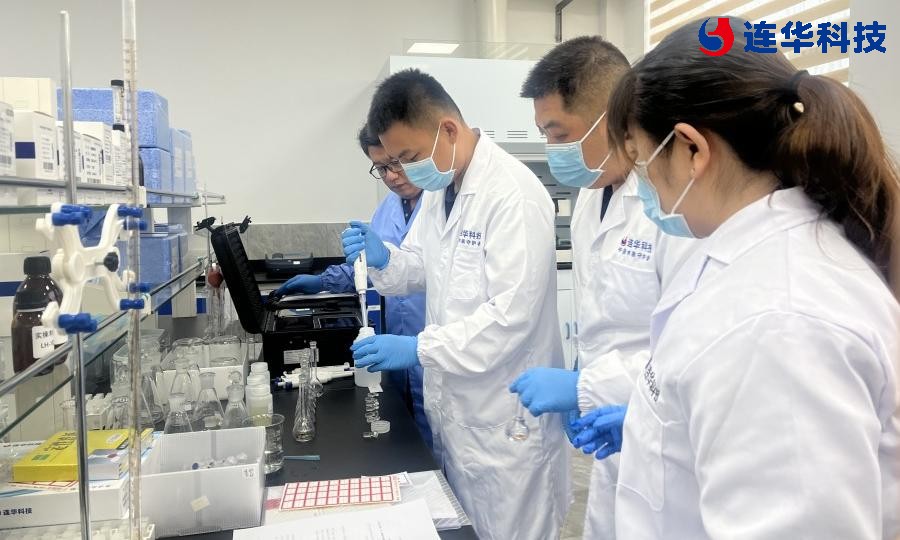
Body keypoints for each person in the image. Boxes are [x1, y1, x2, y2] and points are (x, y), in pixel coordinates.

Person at [572, 17, 900, 539]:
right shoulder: (752, 262)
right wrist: (653, 425)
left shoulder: (779, 321)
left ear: (692, 150)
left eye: (641, 160)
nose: (645, 185)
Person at [344, 69, 569, 540]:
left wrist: (418, 349)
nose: (405, 171)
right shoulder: (440, 189)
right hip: (457, 416)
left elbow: (509, 319)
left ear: (447, 129)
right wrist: (386, 258)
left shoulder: (511, 195)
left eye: (409, 157)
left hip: (505, 425)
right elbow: (422, 266)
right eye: (393, 160)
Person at [509, 36, 697, 538]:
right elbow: (601, 314)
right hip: (615, 431)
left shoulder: (673, 206)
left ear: (612, 117)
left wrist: (586, 387)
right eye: (544, 135)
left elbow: (690, 349)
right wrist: (582, 373)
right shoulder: (590, 196)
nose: (553, 151)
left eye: (559, 134)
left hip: (665, 431)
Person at [274, 125, 430, 447]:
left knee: (437, 434)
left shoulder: (441, 205)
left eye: (396, 163)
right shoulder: (387, 209)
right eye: (381, 168)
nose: (391, 176)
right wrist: (322, 281)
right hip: (395, 347)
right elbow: (367, 267)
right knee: (405, 436)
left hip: (434, 345)